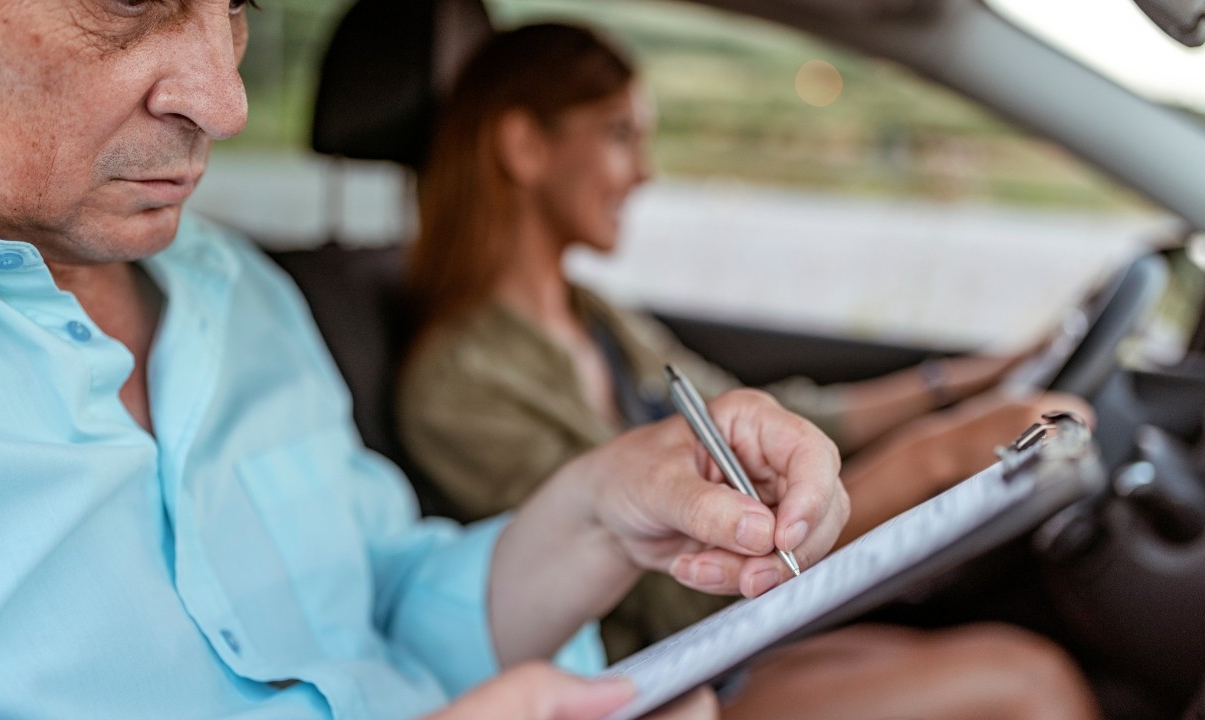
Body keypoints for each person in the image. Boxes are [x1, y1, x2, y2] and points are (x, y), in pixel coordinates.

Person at [0, 3, 855, 719]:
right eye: (131, 1)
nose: (227, 103)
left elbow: (382, 595)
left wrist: (602, 509)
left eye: (239, 5)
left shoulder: (235, 287)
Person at [395, 21, 1101, 719]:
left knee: (1001, 650)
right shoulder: (456, 385)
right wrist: (934, 458)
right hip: (651, 683)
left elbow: (763, 416)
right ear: (523, 147)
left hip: (729, 650)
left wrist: (962, 380)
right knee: (1028, 684)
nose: (645, 171)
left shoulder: (592, 313)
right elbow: (669, 596)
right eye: (619, 135)